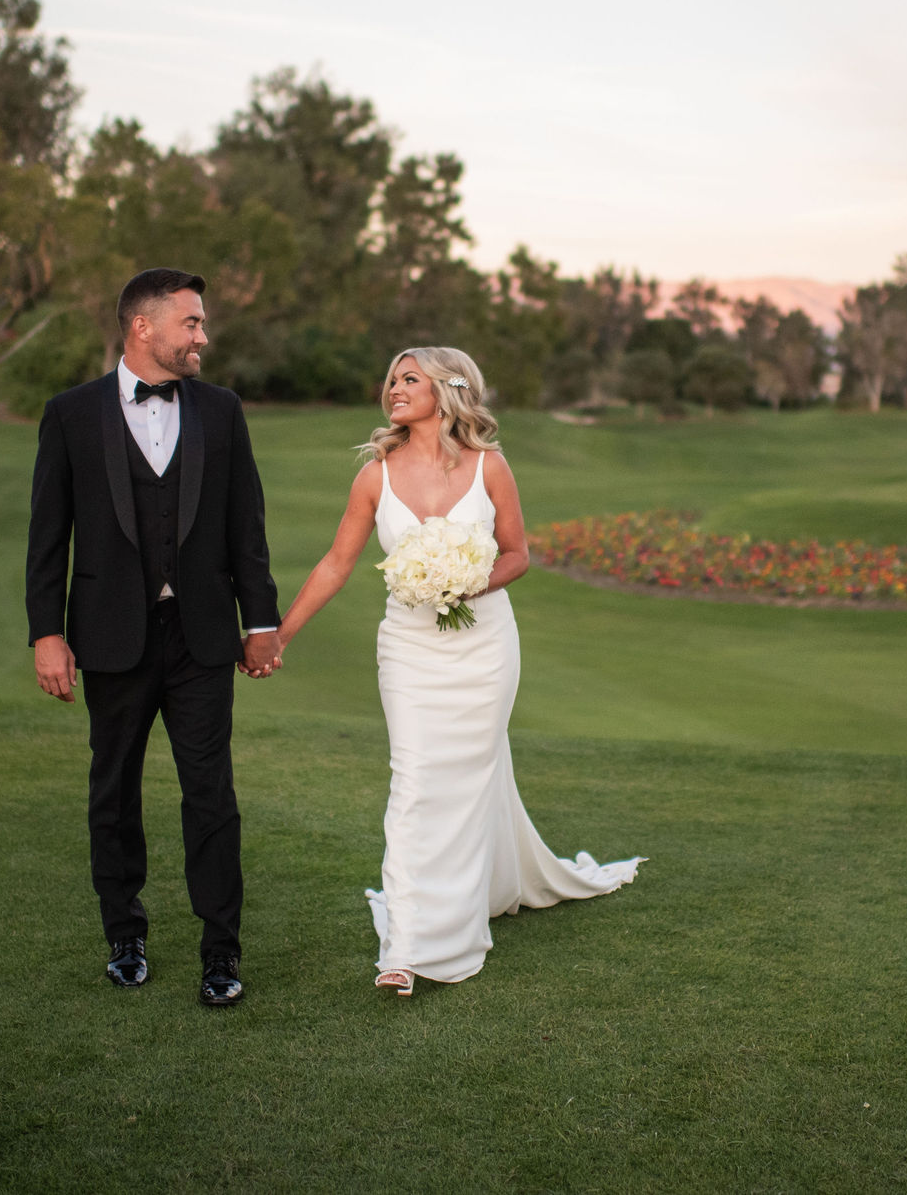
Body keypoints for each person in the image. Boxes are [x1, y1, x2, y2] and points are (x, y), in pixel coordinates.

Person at [271, 346, 642, 995]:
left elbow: (518, 554)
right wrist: (279, 634)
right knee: (415, 781)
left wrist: (468, 582)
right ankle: (408, 944)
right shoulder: (374, 476)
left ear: (448, 390)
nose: (394, 388)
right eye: (392, 379)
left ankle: (473, 898)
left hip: (485, 647)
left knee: (471, 777)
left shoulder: (490, 466)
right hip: (408, 649)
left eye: (409, 378)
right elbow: (335, 563)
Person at [24, 267, 283, 1008]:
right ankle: (125, 934)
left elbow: (246, 527)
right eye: (191, 322)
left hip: (201, 637)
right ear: (143, 326)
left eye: (201, 323)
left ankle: (221, 950)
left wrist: (260, 622)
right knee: (114, 789)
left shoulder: (221, 410)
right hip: (111, 636)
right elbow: (48, 536)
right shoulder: (71, 414)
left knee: (211, 793)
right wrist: (46, 632)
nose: (203, 335)